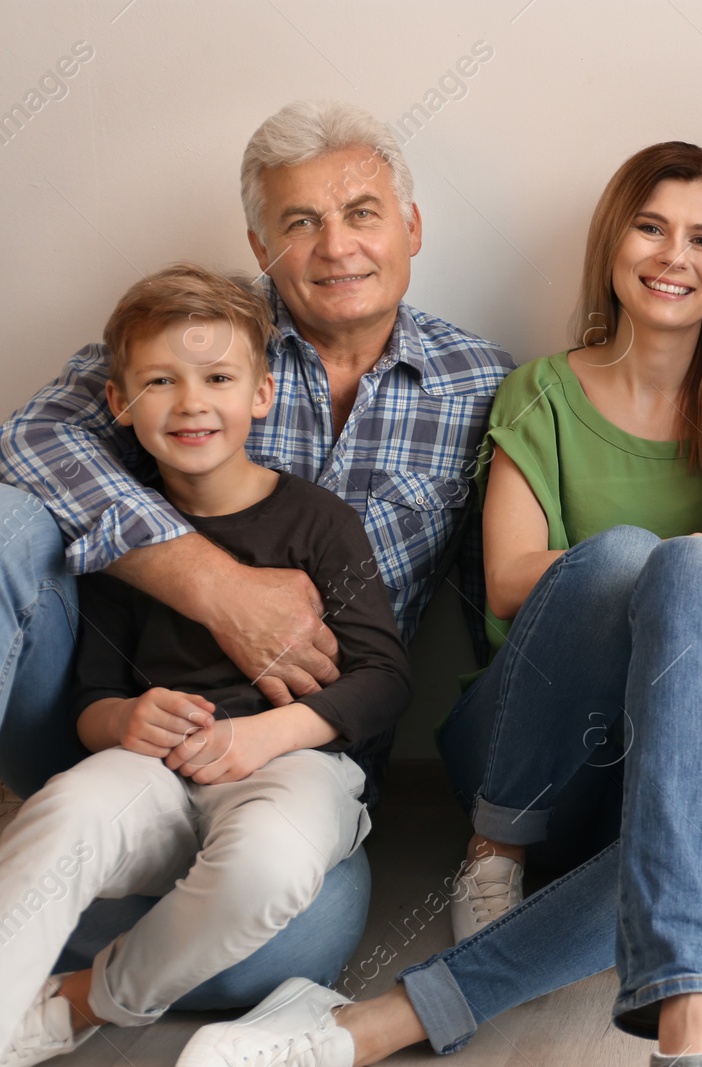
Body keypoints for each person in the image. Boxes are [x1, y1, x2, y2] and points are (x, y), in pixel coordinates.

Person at [178, 142, 702, 1067]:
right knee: (623, 559)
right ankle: (494, 847)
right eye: (651, 227)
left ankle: (392, 1019)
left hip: (653, 762)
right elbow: (510, 576)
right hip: (516, 741)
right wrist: (700, 560)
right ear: (613, 244)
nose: (675, 256)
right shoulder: (542, 388)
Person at [0, 100, 513, 1006]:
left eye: (361, 213)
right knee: (10, 523)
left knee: (288, 946)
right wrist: (209, 583)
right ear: (259, 242)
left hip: (304, 755)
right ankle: (55, 867)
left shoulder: (484, 382)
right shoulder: (199, 339)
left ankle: (78, 961)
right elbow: (30, 440)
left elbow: (479, 613)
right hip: (127, 733)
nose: (336, 246)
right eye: (299, 222)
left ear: (412, 226)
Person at [0, 265, 410, 1067]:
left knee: (270, 862)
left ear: (260, 393)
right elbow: (92, 693)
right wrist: (122, 719)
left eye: (218, 377)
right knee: (58, 818)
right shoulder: (125, 539)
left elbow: (385, 675)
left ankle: (90, 999)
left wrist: (264, 737)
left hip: (292, 764)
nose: (191, 402)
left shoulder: (318, 522)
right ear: (120, 404)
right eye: (161, 381)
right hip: (149, 770)